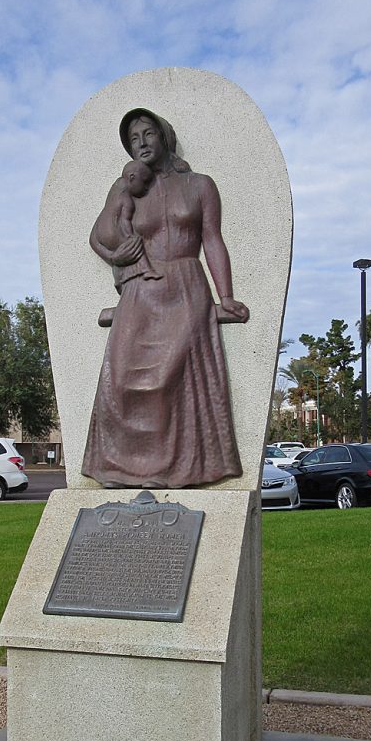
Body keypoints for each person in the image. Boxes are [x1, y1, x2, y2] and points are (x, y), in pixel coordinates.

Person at [82, 108, 249, 489]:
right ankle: (122, 470)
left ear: (164, 136)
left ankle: (186, 468)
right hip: (140, 290)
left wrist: (226, 296)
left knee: (175, 378)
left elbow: (212, 241)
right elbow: (98, 236)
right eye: (133, 138)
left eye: (148, 134)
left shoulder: (201, 185)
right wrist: (114, 257)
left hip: (186, 285)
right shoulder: (126, 187)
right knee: (124, 381)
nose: (141, 143)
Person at [90, 160, 162, 288]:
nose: (146, 188)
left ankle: (118, 279)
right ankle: (148, 270)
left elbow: (93, 236)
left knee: (122, 248)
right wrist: (130, 236)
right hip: (112, 233)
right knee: (134, 245)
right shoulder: (127, 200)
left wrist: (112, 257)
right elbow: (124, 220)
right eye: (145, 182)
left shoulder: (115, 188)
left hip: (101, 232)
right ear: (132, 178)